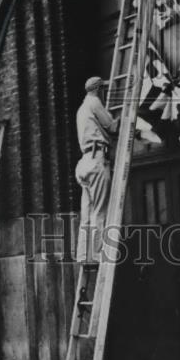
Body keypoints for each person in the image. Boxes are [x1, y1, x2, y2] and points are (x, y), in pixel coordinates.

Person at [74, 76, 120, 263]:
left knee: (87, 213)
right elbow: (112, 126)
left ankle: (84, 255)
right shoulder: (94, 102)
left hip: (84, 162)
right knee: (100, 211)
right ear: (99, 89)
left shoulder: (81, 109)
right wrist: (126, 115)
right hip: (96, 159)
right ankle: (99, 254)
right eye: (103, 89)